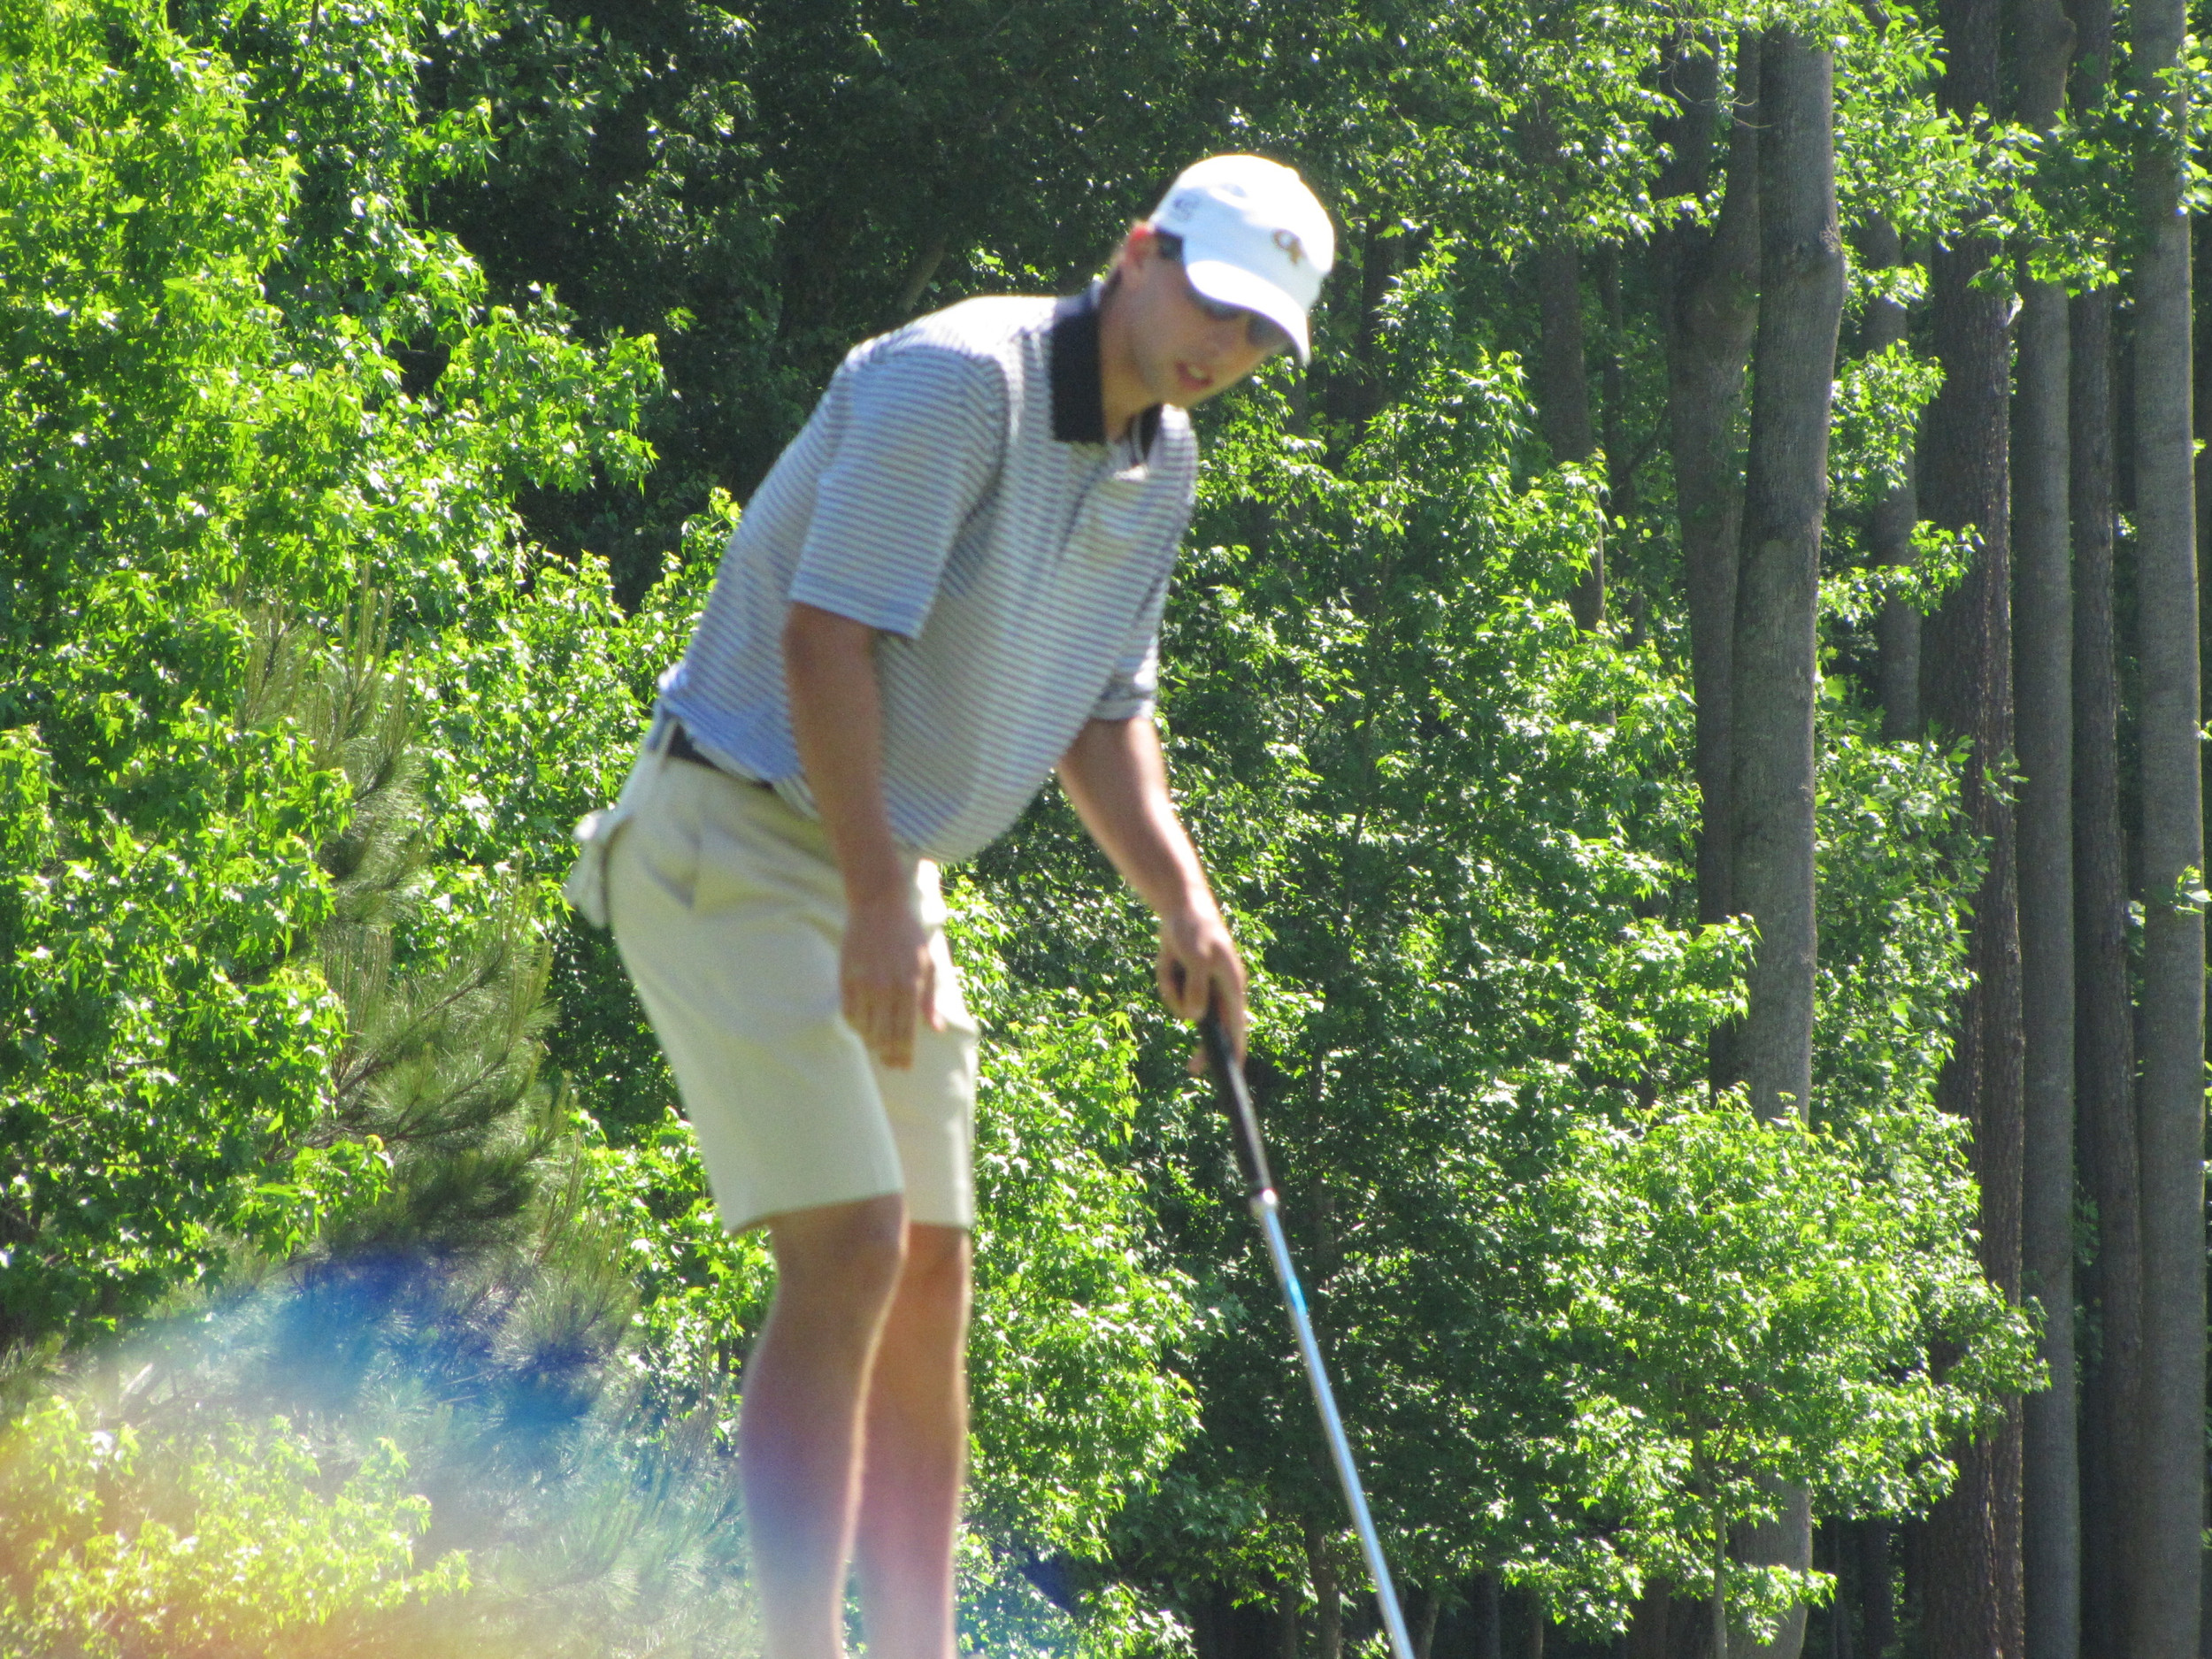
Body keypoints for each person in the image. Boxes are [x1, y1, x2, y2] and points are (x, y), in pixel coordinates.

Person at [565, 153, 1333, 1659]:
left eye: (1257, 336)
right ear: (1137, 251)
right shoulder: (958, 381)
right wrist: (877, 896)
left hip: (876, 872)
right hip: (730, 830)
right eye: (1214, 305)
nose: (1222, 349)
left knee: (929, 1269)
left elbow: (1103, 714)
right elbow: (824, 641)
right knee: (852, 1242)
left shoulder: (1158, 462)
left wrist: (1183, 899)